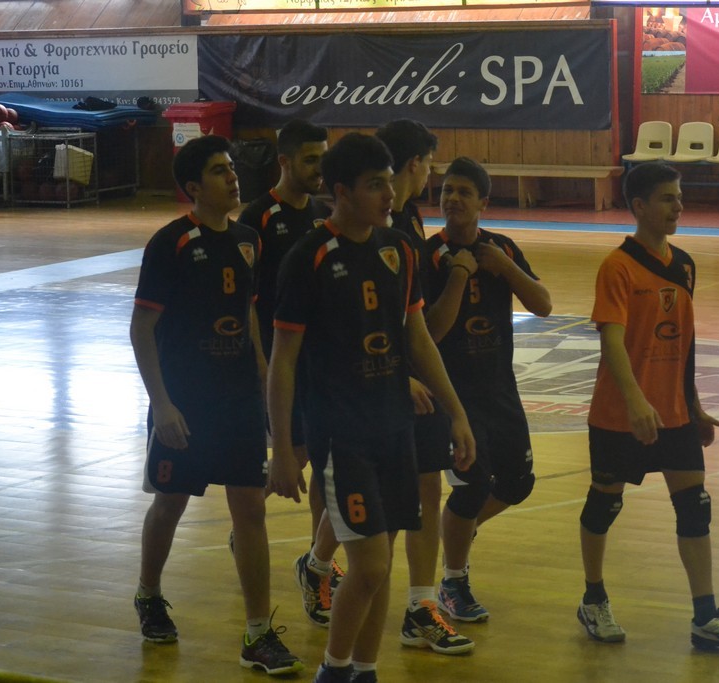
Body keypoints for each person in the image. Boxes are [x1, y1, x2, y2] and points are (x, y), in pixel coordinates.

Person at [266, 133, 476, 683]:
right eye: (375, 184)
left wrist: (456, 412)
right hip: (342, 437)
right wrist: (282, 447)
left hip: (395, 431)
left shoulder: (398, 250)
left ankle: (364, 669)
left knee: (380, 567)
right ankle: (333, 671)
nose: (389, 194)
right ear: (341, 192)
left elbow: (418, 339)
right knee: (370, 564)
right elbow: (283, 361)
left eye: (389, 181)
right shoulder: (309, 257)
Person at [129, 134, 303, 676]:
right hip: (185, 402)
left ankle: (257, 632)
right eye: (219, 171)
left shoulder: (249, 240)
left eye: (232, 168)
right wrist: (162, 405)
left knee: (250, 509)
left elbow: (247, 310)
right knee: (170, 504)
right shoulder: (171, 243)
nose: (232, 177)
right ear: (193, 187)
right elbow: (141, 329)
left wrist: (261, 372)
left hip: (238, 400)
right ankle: (149, 594)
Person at [576, 161, 719, 650]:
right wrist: (636, 401)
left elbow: (685, 341)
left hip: (674, 412)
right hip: (621, 415)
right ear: (639, 206)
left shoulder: (684, 264)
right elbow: (611, 342)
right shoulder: (617, 267)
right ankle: (593, 598)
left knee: (695, 507)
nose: (678, 205)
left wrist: (693, 403)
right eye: (667, 198)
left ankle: (706, 616)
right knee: (604, 505)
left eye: (679, 196)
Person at [423, 157, 552, 624]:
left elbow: (543, 305)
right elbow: (430, 333)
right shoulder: (427, 255)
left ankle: (458, 530)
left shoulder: (502, 248)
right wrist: (459, 274)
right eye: (447, 190)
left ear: (484, 202)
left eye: (463, 192)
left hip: (500, 386)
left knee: (518, 483)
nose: (453, 199)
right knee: (472, 484)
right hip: (452, 395)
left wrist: (505, 267)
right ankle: (452, 582)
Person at [236, 120, 345, 629]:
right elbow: (246, 301)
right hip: (279, 361)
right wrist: (261, 363)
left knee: (320, 463)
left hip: (319, 363)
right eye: (310, 160)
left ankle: (316, 566)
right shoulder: (258, 218)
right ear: (284, 162)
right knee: (295, 456)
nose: (319, 168)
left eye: (323, 158)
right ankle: (247, 524)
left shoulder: (323, 215)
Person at [377, 119, 474, 655]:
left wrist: (450, 405)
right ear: (415, 163)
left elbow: (413, 323)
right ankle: (322, 569)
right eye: (431, 166)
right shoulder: (366, 233)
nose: (431, 176)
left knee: (426, 487)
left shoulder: (409, 220)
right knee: (383, 507)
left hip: (412, 379)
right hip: (374, 389)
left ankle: (420, 606)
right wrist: (401, 376)